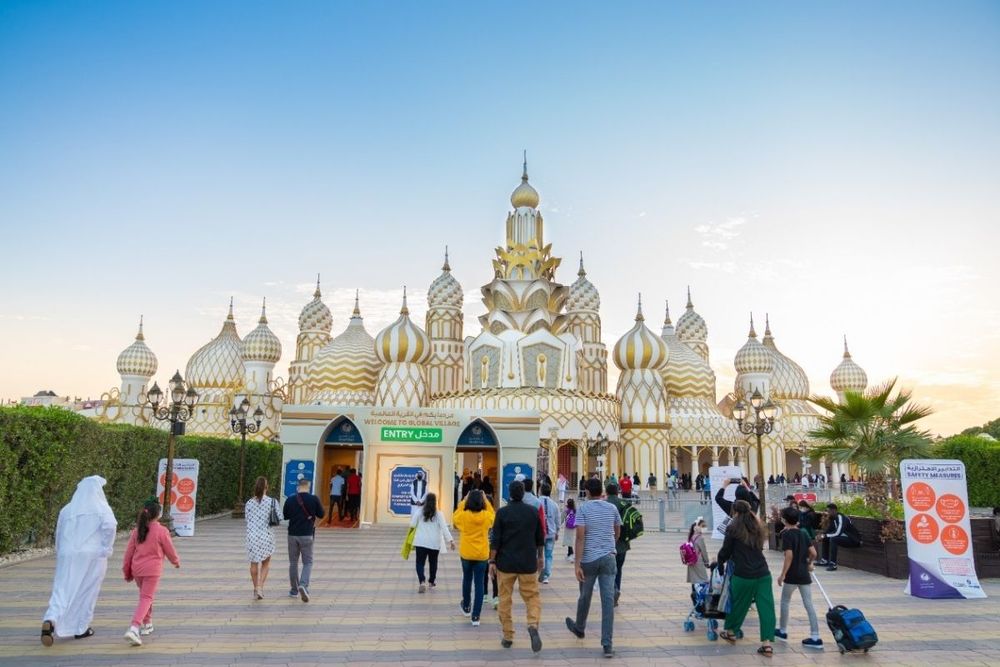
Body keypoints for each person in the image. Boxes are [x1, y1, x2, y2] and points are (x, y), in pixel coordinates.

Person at [40, 475, 117, 646]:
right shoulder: (102, 507)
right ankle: (81, 628)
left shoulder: (67, 509)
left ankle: (51, 618)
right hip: (93, 554)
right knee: (87, 590)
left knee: (62, 588)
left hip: (68, 553)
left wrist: (61, 552)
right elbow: (110, 526)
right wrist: (106, 548)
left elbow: (59, 532)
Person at [565, 478, 621, 658]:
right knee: (607, 601)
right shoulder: (611, 508)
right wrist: (610, 545)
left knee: (585, 596)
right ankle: (607, 644)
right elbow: (617, 530)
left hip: (589, 560)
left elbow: (580, 538)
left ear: (587, 492)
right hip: (608, 558)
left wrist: (577, 564)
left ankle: (580, 627)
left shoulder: (583, 509)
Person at [489, 480, 544, 652]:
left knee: (504, 599)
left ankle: (508, 635)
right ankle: (533, 625)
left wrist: (491, 561)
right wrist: (540, 557)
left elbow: (495, 540)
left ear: (510, 494)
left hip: (506, 564)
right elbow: (540, 537)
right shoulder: (533, 512)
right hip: (528, 563)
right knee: (532, 596)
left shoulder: (502, 513)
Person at [716, 499, 776, 657]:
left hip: (742, 574)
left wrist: (720, 561)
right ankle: (767, 644)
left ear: (734, 512)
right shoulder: (757, 526)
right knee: (767, 608)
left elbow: (726, 550)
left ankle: (731, 632)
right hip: (763, 573)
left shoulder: (732, 528)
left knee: (738, 604)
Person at [121, 500, 179, 647]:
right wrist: (175, 561)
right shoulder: (161, 531)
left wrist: (127, 571)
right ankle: (134, 628)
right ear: (158, 515)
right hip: (152, 570)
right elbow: (169, 549)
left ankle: (147, 624)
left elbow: (129, 553)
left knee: (144, 596)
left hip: (137, 570)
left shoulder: (137, 531)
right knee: (147, 597)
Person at [775, 507, 823, 649]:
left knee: (785, 601)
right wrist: (809, 563)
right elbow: (813, 553)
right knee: (809, 604)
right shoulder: (803, 533)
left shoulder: (787, 535)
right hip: (804, 574)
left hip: (792, 574)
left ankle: (782, 631)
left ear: (784, 520)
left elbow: (789, 555)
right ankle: (815, 637)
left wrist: (782, 574)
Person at [453, 489, 494, 626]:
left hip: (466, 553)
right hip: (481, 554)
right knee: (479, 584)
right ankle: (476, 616)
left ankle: (466, 606)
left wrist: (464, 500)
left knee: (467, 579)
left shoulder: (464, 516)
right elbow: (493, 515)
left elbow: (455, 517)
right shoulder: (486, 516)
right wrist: (486, 499)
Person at [282, 477, 324, 602]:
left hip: (292, 535)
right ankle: (303, 585)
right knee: (308, 562)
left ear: (298, 486)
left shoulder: (290, 499)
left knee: (293, 563)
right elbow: (321, 514)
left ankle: (294, 590)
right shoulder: (314, 499)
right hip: (307, 535)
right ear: (309, 486)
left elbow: (285, 516)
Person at [410, 492, 455, 593]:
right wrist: (451, 541)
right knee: (433, 562)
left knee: (419, 563)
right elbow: (444, 528)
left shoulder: (419, 512)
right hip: (434, 543)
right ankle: (431, 581)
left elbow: (412, 524)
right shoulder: (439, 514)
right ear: (435, 502)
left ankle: (422, 581)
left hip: (420, 542)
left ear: (425, 501)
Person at [245, 476, 277, 600]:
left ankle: (255, 588)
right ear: (266, 487)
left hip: (251, 536)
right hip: (266, 536)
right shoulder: (272, 502)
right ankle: (260, 587)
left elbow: (247, 519)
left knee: (253, 563)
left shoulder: (249, 502)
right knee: (266, 562)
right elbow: (278, 517)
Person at [605, 483, 630, 607]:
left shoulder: (604, 504)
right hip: (623, 544)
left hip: (608, 542)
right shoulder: (625, 503)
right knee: (618, 570)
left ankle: (613, 591)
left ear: (607, 491)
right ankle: (617, 591)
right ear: (618, 491)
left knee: (608, 571)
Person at [817, 503, 861, 570]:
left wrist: (824, 536)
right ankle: (824, 560)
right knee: (826, 538)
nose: (828, 513)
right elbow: (829, 530)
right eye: (827, 511)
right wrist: (822, 535)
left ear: (834, 510)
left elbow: (838, 533)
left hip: (853, 540)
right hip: (844, 538)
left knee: (833, 539)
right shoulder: (833, 519)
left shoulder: (841, 517)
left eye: (829, 511)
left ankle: (833, 564)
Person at [538, 483, 560, 584]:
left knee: (537, 554)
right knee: (548, 555)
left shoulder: (536, 502)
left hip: (539, 534)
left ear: (541, 491)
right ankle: (546, 575)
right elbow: (558, 520)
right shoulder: (554, 504)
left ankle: (537, 572)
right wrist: (557, 531)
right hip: (551, 533)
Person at [685, 517, 710, 605]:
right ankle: (700, 599)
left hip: (691, 560)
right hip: (698, 561)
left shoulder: (691, 535)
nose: (705, 528)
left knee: (694, 580)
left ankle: (694, 598)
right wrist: (707, 562)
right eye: (703, 526)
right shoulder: (700, 538)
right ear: (698, 526)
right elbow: (703, 551)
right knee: (702, 580)